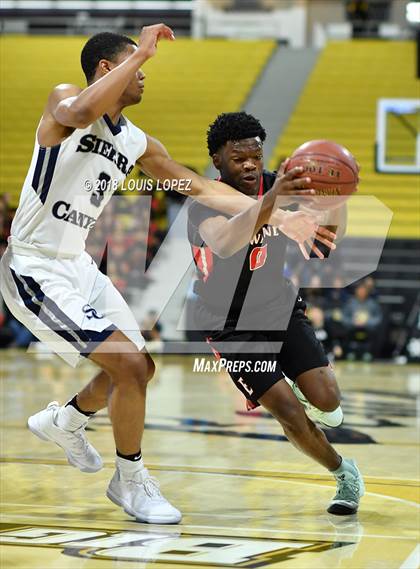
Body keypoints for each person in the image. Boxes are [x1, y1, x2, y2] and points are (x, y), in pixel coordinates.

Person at [0, 26, 327, 524]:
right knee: (128, 367)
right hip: (35, 265)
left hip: (79, 265)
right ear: (109, 69)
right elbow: (81, 113)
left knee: (141, 369)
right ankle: (130, 482)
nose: (145, 73)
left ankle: (66, 420)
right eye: (137, 64)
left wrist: (278, 214)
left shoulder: (135, 142)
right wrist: (141, 50)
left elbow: (196, 186)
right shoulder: (66, 100)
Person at [187, 112, 364, 515]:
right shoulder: (204, 202)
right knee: (289, 413)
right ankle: (344, 475)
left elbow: (329, 238)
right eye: (238, 158)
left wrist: (335, 198)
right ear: (217, 161)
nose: (250, 164)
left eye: (256, 155)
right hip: (230, 326)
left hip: (279, 309)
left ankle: (303, 383)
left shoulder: (279, 183)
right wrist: (273, 202)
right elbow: (227, 243)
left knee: (330, 405)